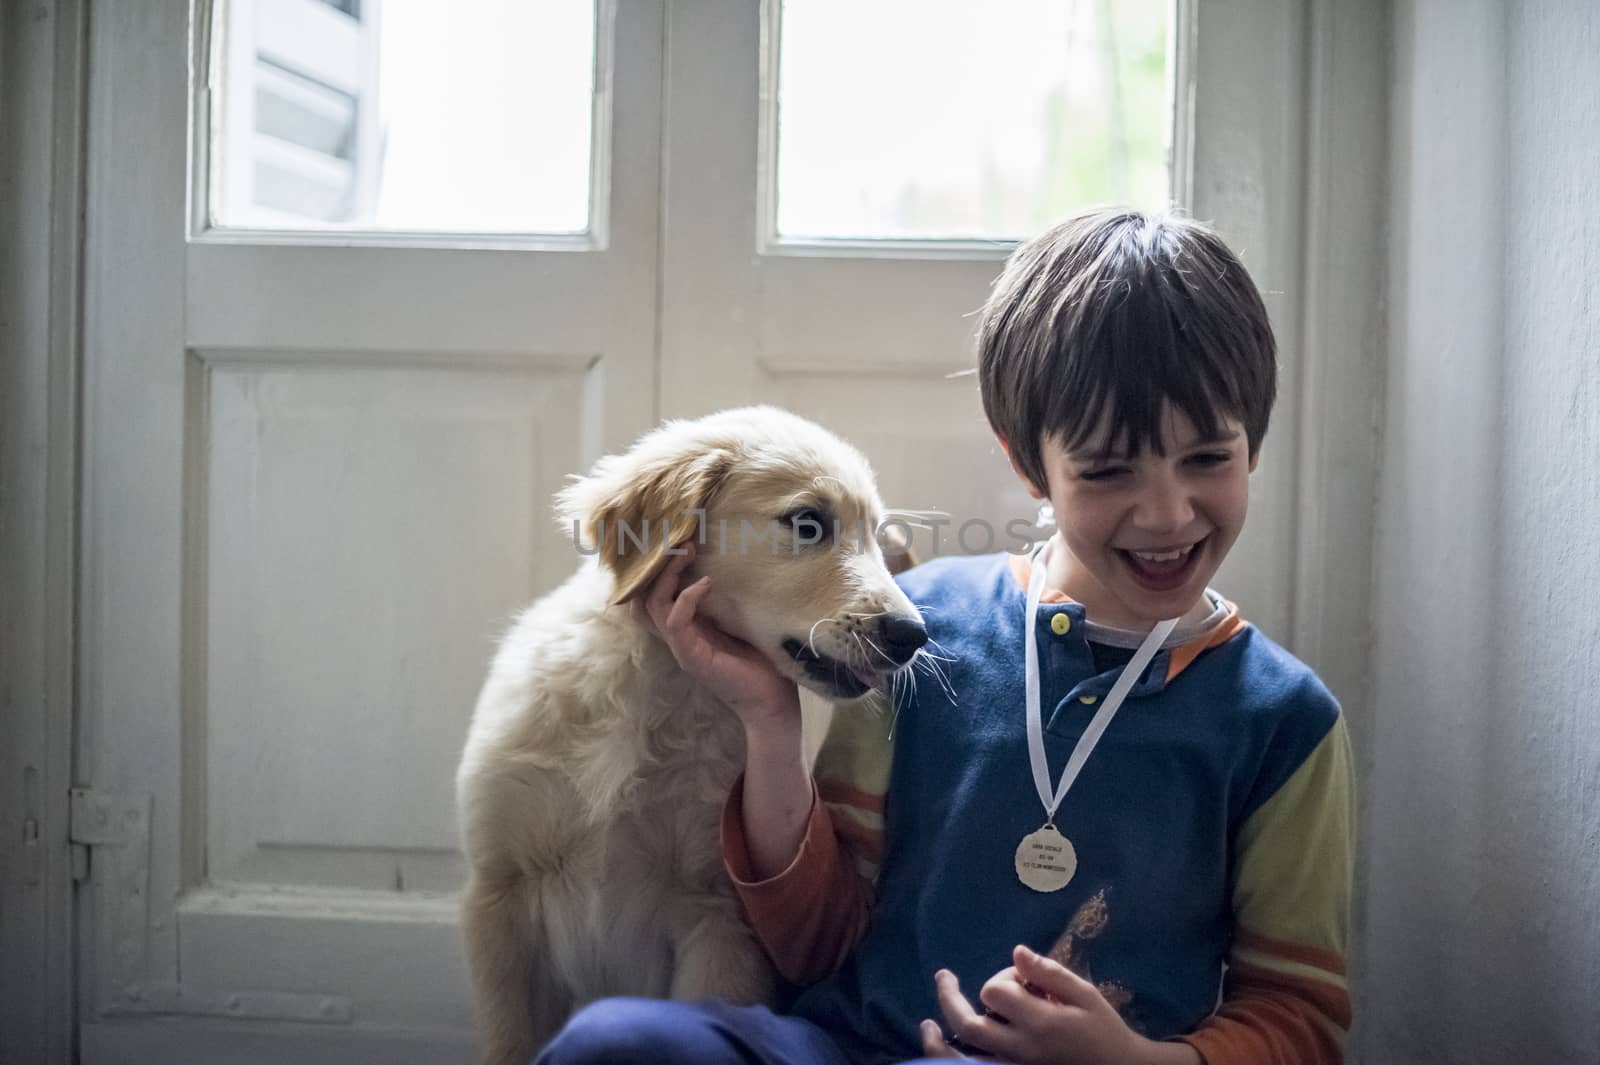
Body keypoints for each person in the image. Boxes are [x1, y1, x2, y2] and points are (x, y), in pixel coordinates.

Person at [537, 207, 1355, 1065]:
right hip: (844, 1046)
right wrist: (769, 723)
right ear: (1027, 462)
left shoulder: (1285, 723)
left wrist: (1135, 1060)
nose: (1166, 512)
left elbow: (1300, 1018)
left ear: (1252, 445)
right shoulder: (918, 626)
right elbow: (817, 944)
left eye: (1207, 460)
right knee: (614, 1042)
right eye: (1109, 470)